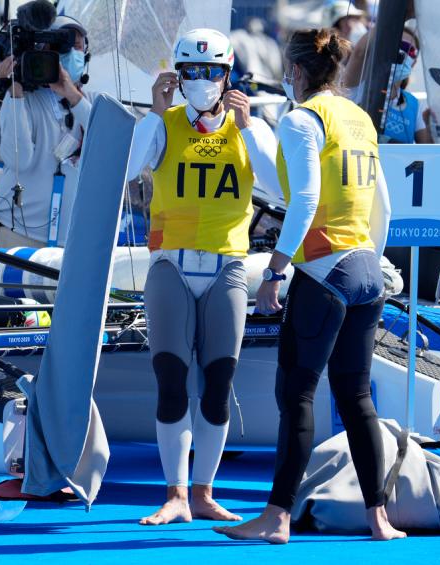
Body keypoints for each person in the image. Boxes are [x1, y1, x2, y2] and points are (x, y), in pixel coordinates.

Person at [213, 28, 405, 544]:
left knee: (296, 394)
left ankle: (276, 517)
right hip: (365, 270)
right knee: (357, 397)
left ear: (296, 73)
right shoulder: (359, 118)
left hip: (324, 274)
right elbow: (382, 203)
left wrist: (275, 271)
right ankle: (379, 518)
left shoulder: (301, 119)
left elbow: (301, 200)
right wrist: (374, 260)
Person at [127, 28, 282, 525]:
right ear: (177, 74)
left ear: (227, 75)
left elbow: (277, 186)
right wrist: (153, 113)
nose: (200, 81)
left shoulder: (248, 127)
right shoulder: (163, 124)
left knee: (218, 382)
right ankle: (174, 493)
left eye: (210, 71)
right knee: (171, 379)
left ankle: (202, 490)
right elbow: (128, 171)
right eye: (190, 72)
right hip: (171, 264)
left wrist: (250, 124)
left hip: (228, 266)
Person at [0, 14, 94, 249]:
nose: (69, 54)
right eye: (60, 46)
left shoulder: (92, 102)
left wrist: (72, 95)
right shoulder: (22, 100)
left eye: (76, 46)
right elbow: (19, 160)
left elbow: (108, 144)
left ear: (86, 55)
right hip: (18, 233)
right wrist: (14, 92)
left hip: (73, 239)